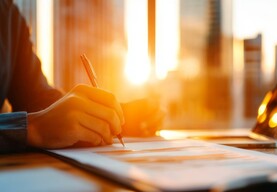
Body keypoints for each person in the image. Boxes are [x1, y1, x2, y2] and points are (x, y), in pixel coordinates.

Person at [0, 0, 163, 153]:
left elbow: (37, 98)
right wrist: (32, 128)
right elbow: (40, 122)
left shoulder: (9, 15)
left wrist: (110, 116)